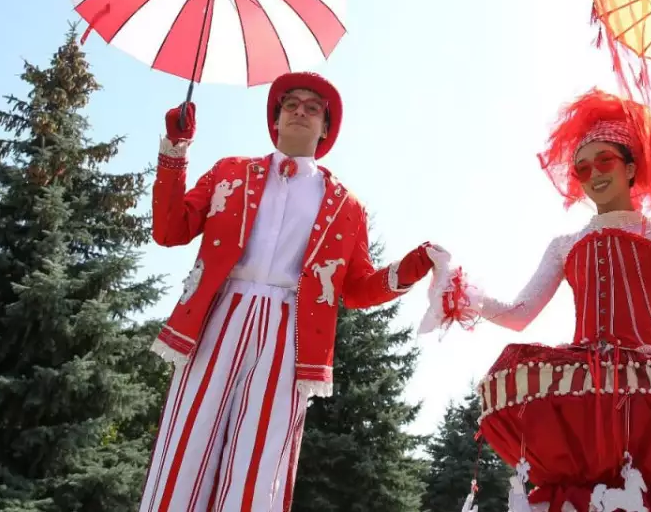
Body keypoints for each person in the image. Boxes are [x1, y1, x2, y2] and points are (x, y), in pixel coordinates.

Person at [420, 70, 651, 512]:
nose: (593, 174)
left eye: (605, 161)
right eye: (583, 167)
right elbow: (519, 313)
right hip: (584, 393)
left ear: (631, 168)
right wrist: (457, 289)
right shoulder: (565, 245)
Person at [139, 71, 437, 512]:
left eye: (312, 107)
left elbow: (353, 289)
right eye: (290, 104)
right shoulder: (229, 171)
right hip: (216, 317)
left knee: (260, 465)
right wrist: (175, 150)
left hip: (291, 331)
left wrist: (410, 269)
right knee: (185, 446)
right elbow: (169, 230)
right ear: (274, 120)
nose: (299, 110)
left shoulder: (346, 204)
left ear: (325, 128)